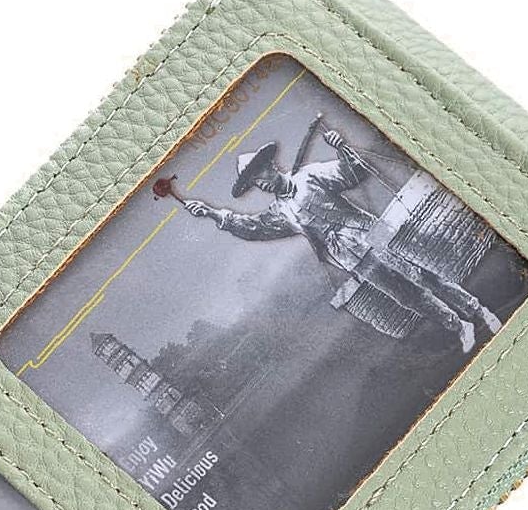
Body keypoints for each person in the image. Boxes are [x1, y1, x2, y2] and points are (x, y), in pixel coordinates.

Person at [183, 126, 502, 352]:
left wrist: (341, 147)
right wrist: (214, 214)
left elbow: (352, 174)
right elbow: (254, 227)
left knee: (422, 274)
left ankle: (478, 310)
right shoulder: (281, 213)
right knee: (406, 296)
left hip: (372, 232)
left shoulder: (310, 175)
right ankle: (458, 326)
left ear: (272, 165)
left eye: (260, 174)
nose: (261, 183)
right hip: (351, 258)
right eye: (254, 182)